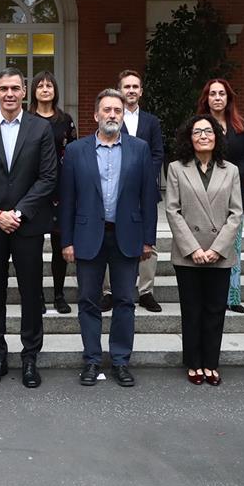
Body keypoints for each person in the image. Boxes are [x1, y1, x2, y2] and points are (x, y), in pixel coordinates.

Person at [0, 67, 58, 389]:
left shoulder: (41, 128)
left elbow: (48, 177)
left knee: (32, 293)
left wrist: (18, 213)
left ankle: (30, 357)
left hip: (27, 226)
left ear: (24, 92)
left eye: (15, 88)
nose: (8, 94)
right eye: (3, 88)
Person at [60, 88, 157, 387]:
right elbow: (68, 200)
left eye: (117, 110)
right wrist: (66, 241)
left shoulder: (139, 149)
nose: (113, 115)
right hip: (88, 237)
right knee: (88, 301)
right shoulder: (77, 151)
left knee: (126, 300)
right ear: (96, 115)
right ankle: (91, 361)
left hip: (127, 236)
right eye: (107, 110)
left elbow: (148, 197)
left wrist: (148, 240)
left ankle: (120, 361)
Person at [165, 115, 242, 386]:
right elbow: (172, 210)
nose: (203, 136)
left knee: (215, 310)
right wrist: (193, 248)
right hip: (189, 253)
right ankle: (194, 363)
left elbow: (236, 213)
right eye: (197, 132)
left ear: (216, 136)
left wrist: (218, 248)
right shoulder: (176, 168)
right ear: (189, 138)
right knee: (192, 309)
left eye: (208, 131)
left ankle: (211, 362)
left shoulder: (230, 170)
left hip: (219, 254)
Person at [97, 70, 164, 314]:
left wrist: (143, 176)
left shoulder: (151, 121)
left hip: (143, 192)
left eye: (136, 86)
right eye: (127, 86)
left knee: (149, 243)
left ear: (141, 91)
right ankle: (109, 292)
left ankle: (146, 291)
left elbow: (157, 154)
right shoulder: (111, 117)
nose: (132, 90)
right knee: (108, 236)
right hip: (114, 190)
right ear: (120, 89)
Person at [197, 78, 244, 314]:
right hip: (202, 195)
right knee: (205, 246)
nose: (217, 97)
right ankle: (206, 295)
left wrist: (228, 180)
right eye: (213, 94)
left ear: (228, 98)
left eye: (222, 93)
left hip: (233, 195)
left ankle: (232, 297)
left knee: (232, 247)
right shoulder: (198, 125)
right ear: (206, 98)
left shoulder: (241, 126)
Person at [28, 69, 75, 314]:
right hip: (33, 189)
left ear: (55, 91)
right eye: (40, 86)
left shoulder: (65, 120)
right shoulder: (26, 120)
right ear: (33, 91)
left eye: (49, 85)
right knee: (33, 247)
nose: (45, 89)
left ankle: (58, 294)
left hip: (60, 188)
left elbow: (73, 153)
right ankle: (37, 295)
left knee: (60, 245)